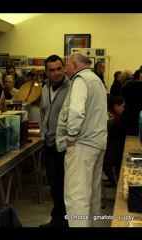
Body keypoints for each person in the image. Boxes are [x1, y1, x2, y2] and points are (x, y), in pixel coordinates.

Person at [56, 52, 107, 227]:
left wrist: (70, 136)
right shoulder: (96, 80)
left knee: (76, 198)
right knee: (92, 195)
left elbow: (76, 112)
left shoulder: (80, 80)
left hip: (82, 145)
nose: (65, 69)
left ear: (75, 65)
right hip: (97, 143)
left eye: (67, 65)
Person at [39, 55, 70, 228]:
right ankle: (57, 218)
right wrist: (43, 132)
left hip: (64, 146)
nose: (57, 73)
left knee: (66, 185)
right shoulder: (45, 87)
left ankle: (65, 221)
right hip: (49, 144)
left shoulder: (72, 87)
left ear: (64, 68)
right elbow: (43, 112)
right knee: (54, 184)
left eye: (59, 68)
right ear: (47, 72)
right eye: (52, 70)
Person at [103, 96, 125, 186]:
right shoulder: (114, 121)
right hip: (109, 154)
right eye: (122, 106)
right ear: (116, 106)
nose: (124, 109)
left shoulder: (109, 117)